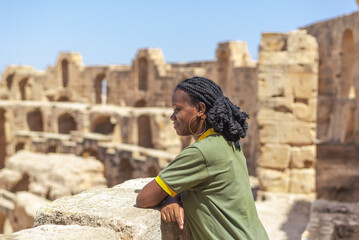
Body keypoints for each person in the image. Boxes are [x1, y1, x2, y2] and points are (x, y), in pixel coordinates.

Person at [136, 76, 269, 239]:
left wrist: (170, 196)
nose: (172, 117)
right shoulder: (227, 141)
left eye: (177, 109)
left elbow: (144, 198)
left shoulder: (200, 152)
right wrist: (173, 195)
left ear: (200, 109)